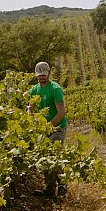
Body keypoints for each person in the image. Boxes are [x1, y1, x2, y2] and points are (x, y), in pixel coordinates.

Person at [29, 61, 68, 198]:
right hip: (42, 130)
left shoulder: (55, 89)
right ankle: (50, 190)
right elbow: (31, 109)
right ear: (36, 76)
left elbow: (61, 112)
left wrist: (48, 126)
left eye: (44, 75)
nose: (42, 78)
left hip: (57, 127)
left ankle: (62, 184)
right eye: (39, 76)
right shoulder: (34, 90)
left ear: (49, 74)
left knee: (54, 155)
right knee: (44, 158)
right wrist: (32, 120)